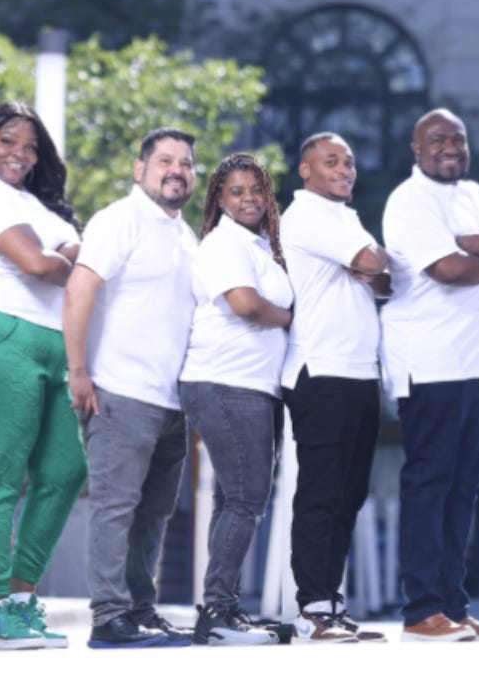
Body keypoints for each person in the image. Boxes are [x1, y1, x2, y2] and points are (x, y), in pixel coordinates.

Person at [381, 109, 479, 642]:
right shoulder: (410, 200)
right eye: (438, 139)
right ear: (416, 148)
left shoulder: (476, 196)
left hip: (475, 364)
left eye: (458, 139)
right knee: (430, 485)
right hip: (430, 361)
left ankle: (451, 606)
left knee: (463, 489)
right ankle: (421, 610)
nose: (450, 147)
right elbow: (449, 270)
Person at [63, 127, 200, 649]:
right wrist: (78, 370)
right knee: (115, 508)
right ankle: (109, 617)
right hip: (119, 391)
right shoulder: (119, 219)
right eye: (165, 160)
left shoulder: (186, 237)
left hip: (172, 402)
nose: (176, 170)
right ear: (139, 169)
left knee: (154, 514)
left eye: (185, 163)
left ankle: (141, 610)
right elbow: (80, 287)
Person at [0, 102, 86, 651]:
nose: (19, 154)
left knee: (66, 470)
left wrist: (61, 256)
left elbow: (73, 258)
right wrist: (63, 255)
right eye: (7, 141)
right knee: (0, 474)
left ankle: (20, 600)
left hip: (54, 347)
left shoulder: (38, 205)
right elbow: (40, 265)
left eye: (30, 147)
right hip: (4, 336)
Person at [279, 132, 391, 644]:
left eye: (348, 162)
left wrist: (371, 263)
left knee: (349, 495)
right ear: (306, 170)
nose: (345, 170)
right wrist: (370, 261)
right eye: (331, 162)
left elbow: (383, 279)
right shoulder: (307, 215)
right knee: (321, 493)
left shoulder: (344, 218)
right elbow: (374, 264)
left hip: (360, 373)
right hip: (320, 371)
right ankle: (311, 609)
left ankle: (331, 602)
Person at [179, 153, 293, 646]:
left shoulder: (260, 245)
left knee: (233, 499)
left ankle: (224, 609)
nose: (249, 199)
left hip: (251, 385)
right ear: (220, 200)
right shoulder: (224, 243)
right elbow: (245, 304)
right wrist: (291, 319)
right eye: (236, 191)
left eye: (256, 189)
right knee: (247, 499)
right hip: (225, 381)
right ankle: (218, 615)